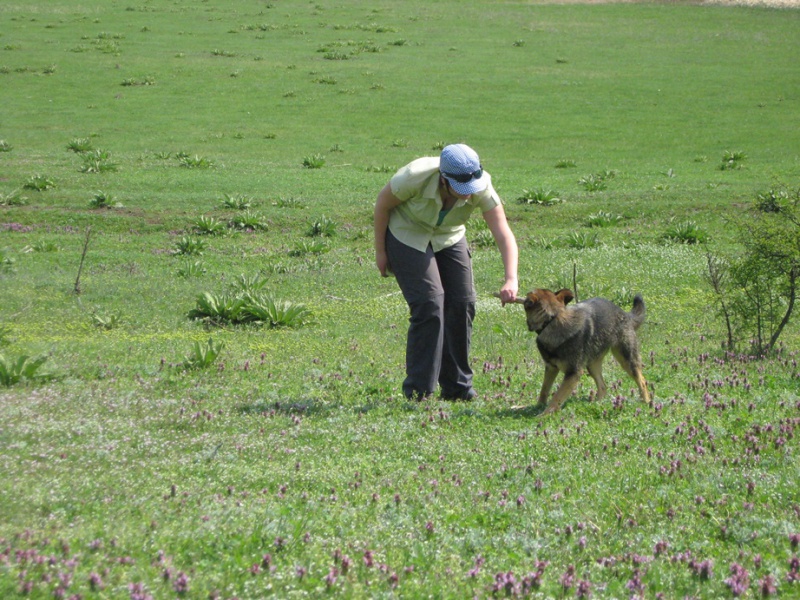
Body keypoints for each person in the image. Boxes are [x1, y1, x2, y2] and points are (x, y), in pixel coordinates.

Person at [374, 143, 519, 401]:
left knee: (462, 303)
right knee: (430, 304)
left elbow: (503, 232)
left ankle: (457, 389)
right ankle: (419, 392)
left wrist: (511, 278)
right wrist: (381, 252)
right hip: (408, 233)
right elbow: (383, 206)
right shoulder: (413, 176)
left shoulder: (482, 185)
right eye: (460, 189)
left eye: (470, 189)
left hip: (449, 237)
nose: (467, 195)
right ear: (443, 179)